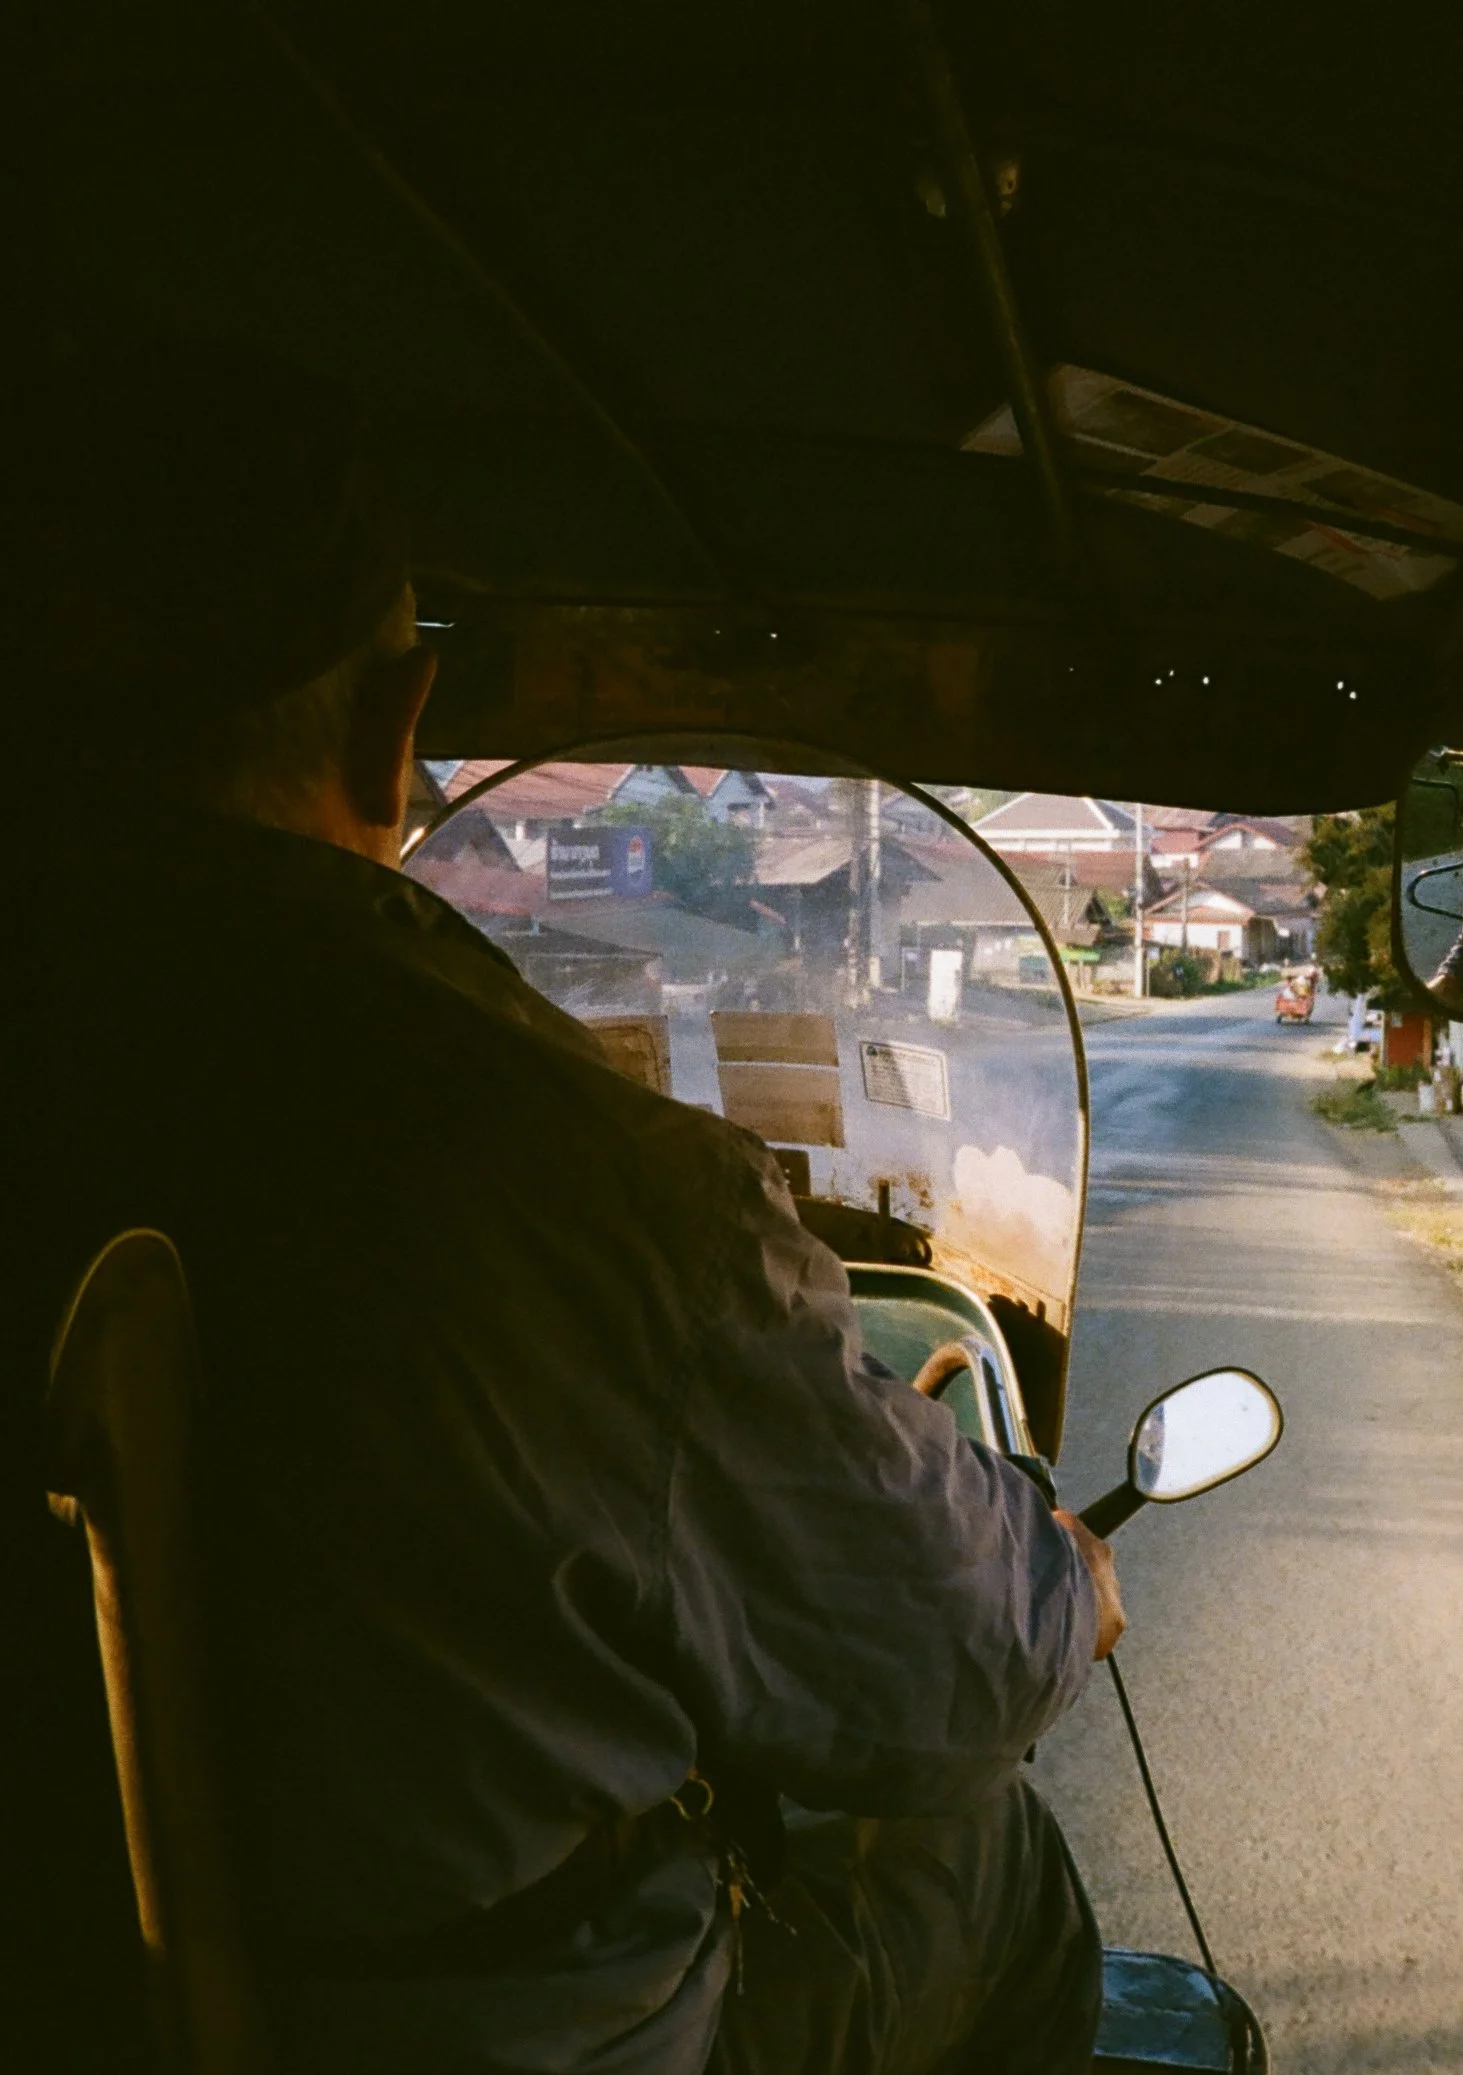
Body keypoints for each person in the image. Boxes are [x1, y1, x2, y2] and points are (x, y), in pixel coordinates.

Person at [20, 342, 1122, 2075]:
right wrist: (1058, 1585)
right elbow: (952, 1675)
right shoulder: (585, 1186)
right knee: (988, 1858)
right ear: (395, 730)